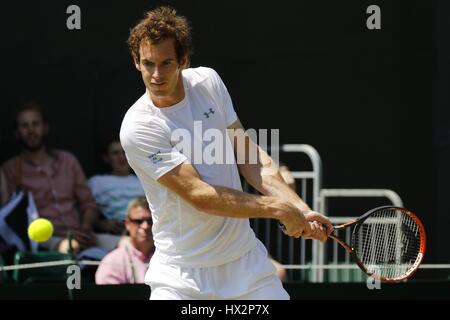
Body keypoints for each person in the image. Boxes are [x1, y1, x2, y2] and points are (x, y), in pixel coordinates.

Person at [120, 6, 332, 300]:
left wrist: (299, 208)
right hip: (181, 280)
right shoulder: (138, 127)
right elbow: (201, 196)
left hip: (247, 269)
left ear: (183, 60)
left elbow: (249, 157)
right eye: (148, 64)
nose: (156, 75)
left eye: (166, 63)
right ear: (136, 62)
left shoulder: (208, 82)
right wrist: (278, 209)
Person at [1, 101, 117, 254]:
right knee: (71, 248)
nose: (31, 130)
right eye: (24, 125)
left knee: (129, 245)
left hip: (82, 233)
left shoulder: (67, 161)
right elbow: (14, 219)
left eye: (35, 124)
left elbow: (88, 204)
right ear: (17, 132)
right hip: (45, 237)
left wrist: (85, 228)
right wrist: (64, 235)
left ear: (45, 127)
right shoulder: (11, 169)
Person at [89, 137, 145, 235]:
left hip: (145, 230)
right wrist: (101, 224)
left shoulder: (144, 180)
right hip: (115, 234)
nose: (121, 157)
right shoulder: (97, 182)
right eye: (115, 153)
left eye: (124, 152)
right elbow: (85, 209)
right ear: (106, 158)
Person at [95, 197, 154, 284]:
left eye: (151, 221)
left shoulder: (169, 257)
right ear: (127, 224)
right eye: (138, 221)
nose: (145, 226)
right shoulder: (113, 261)